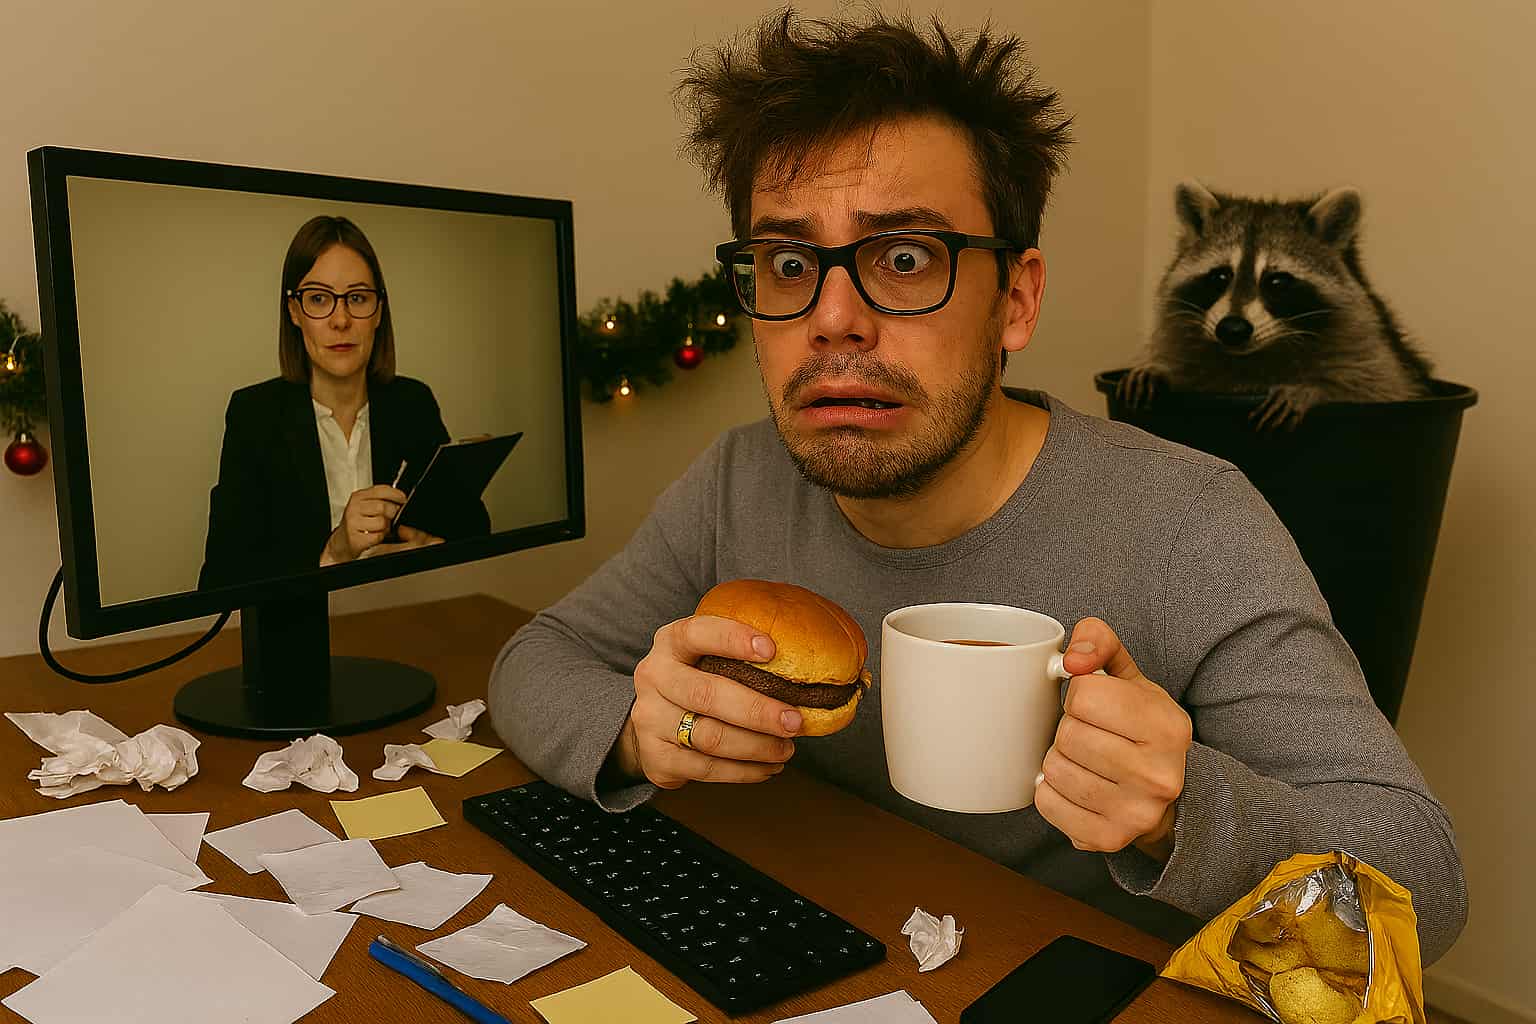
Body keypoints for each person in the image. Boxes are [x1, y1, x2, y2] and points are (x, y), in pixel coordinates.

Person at [486, 12, 1467, 961]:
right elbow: (540, 657)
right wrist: (637, 732)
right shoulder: (739, 481)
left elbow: (1424, 887)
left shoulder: (1190, 521)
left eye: (904, 257)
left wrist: (1184, 813)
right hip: (820, 946)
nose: (834, 319)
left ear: (1018, 299)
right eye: (789, 262)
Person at [199, 215, 490, 590]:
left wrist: (430, 548)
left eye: (357, 298)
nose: (341, 319)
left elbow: (474, 531)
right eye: (318, 299)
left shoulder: (413, 402)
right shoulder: (255, 414)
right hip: (297, 632)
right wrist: (334, 552)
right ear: (294, 312)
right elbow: (220, 578)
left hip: (403, 622)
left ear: (379, 311)